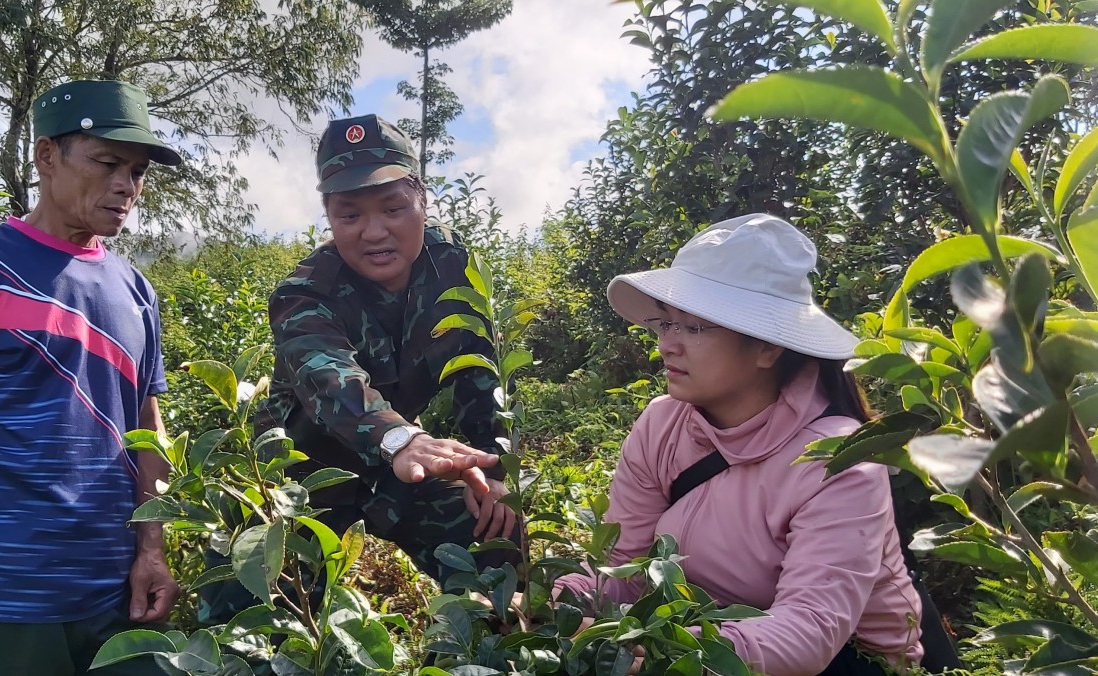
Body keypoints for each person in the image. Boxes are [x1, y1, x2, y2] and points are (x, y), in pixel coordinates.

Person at [554, 214, 934, 675]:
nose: (666, 346)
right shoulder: (662, 425)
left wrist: (657, 650)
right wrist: (552, 600)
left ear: (767, 347)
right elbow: (626, 571)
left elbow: (808, 633)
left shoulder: (839, 461)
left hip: (848, 660)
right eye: (665, 324)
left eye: (692, 328)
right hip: (709, 632)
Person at [0, 79, 183, 676]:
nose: (126, 186)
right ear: (46, 156)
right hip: (10, 604)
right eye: (108, 163)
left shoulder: (135, 291)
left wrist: (152, 549)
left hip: (118, 599)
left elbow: (147, 428)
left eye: (136, 171)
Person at [199, 114, 519, 623]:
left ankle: (493, 646)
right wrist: (397, 439)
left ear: (422, 200)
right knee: (250, 621)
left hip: (402, 467)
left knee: (495, 534)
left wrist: (497, 472)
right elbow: (329, 378)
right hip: (301, 483)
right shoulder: (305, 294)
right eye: (349, 216)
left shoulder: (451, 265)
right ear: (328, 217)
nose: (375, 232)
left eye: (393, 208)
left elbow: (481, 371)